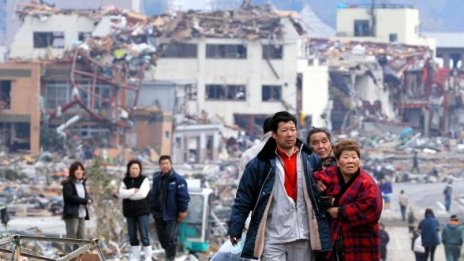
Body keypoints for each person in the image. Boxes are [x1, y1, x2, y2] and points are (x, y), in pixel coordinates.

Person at [227, 111, 332, 260]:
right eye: (284, 130)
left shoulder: (309, 159)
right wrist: (235, 228)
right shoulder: (260, 164)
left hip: (303, 235)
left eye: (292, 129)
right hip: (273, 237)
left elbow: (326, 183)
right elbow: (244, 197)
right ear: (274, 135)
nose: (289, 134)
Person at [313, 139, 383, 261]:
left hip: (360, 240)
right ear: (338, 162)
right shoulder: (329, 175)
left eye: (354, 157)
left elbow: (372, 209)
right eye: (345, 157)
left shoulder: (367, 183)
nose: (350, 161)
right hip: (333, 239)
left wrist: (340, 211)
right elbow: (312, 184)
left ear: (359, 160)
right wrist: (318, 188)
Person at [150, 155, 190, 261]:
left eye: (167, 163)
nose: (165, 166)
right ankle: (169, 254)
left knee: (170, 238)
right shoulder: (156, 179)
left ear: (171, 164)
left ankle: (170, 258)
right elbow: (153, 195)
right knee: (162, 238)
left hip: (172, 214)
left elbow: (184, 196)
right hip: (158, 214)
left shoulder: (178, 179)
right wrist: (152, 208)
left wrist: (183, 210)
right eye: (162, 164)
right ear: (159, 165)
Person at [119, 159, 151, 261]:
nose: (134, 170)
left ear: (140, 169)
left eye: (137, 168)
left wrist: (128, 194)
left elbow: (142, 194)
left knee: (144, 233)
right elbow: (121, 193)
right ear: (129, 169)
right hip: (129, 212)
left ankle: (147, 257)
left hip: (143, 211)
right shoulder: (125, 180)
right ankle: (136, 257)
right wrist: (133, 191)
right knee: (132, 235)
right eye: (132, 168)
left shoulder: (144, 179)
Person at [62, 161, 92, 251]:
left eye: (81, 170)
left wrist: (89, 199)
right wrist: (85, 201)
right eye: (77, 170)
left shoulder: (81, 183)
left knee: (81, 238)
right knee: (71, 238)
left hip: (82, 214)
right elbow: (69, 197)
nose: (79, 172)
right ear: (72, 171)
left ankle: (77, 257)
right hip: (72, 214)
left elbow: (85, 195)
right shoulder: (68, 183)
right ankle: (67, 257)